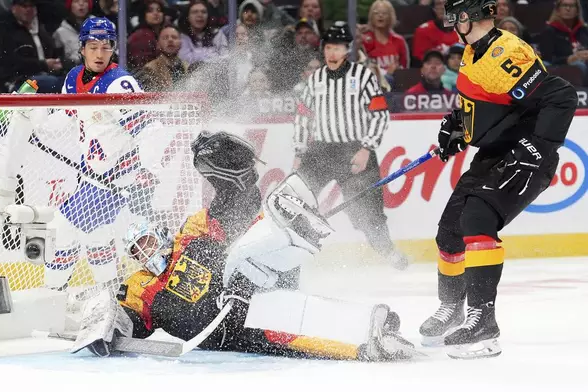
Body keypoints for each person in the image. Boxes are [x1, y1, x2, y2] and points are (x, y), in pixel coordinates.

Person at [72, 131, 417, 362]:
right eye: (136, 251)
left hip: (251, 299)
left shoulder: (189, 235)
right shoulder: (141, 285)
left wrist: (261, 252)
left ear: (160, 233)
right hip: (226, 334)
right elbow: (125, 316)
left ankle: (374, 327)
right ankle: (368, 339)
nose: (144, 252)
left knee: (281, 311)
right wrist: (105, 329)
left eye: (146, 241)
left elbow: (238, 213)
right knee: (288, 335)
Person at [419, 0, 577, 359]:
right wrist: (458, 127)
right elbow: (495, 104)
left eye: (453, 14)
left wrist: (538, 147)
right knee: (449, 231)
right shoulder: (474, 51)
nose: (448, 21)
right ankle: (452, 308)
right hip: (494, 155)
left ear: (465, 18)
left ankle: (483, 324)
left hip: (525, 157)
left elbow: (561, 96)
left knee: (477, 219)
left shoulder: (504, 50)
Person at [294, 21, 408, 270]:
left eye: (338, 48)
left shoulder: (363, 76)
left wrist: (367, 148)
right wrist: (300, 152)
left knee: (369, 212)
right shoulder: (315, 80)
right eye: (328, 48)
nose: (332, 53)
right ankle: (290, 255)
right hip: (321, 152)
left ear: (347, 50)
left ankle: (387, 251)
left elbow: (380, 114)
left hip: (355, 151)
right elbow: (303, 117)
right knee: (296, 199)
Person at [41, 17, 143, 290]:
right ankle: (109, 291)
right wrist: (34, 124)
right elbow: (65, 117)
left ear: (113, 49)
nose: (100, 53)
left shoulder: (120, 83)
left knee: (62, 228)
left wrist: (148, 170)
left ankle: (54, 293)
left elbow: (148, 130)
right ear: (82, 48)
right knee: (96, 235)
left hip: (116, 176)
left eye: (106, 47)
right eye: (94, 46)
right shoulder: (74, 78)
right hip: (92, 175)